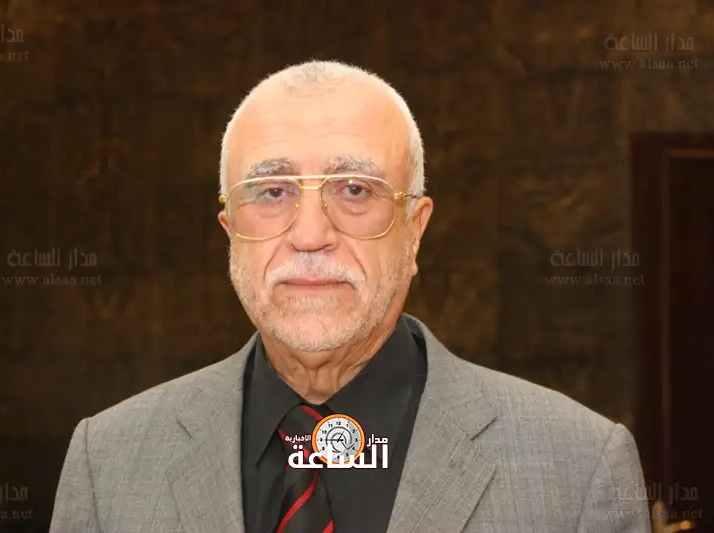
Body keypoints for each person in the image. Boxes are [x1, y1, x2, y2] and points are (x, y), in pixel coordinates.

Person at [49, 60, 651, 533]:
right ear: (231, 232)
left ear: (415, 229)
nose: (311, 234)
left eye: (355, 189)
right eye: (273, 191)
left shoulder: (578, 470)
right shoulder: (108, 464)